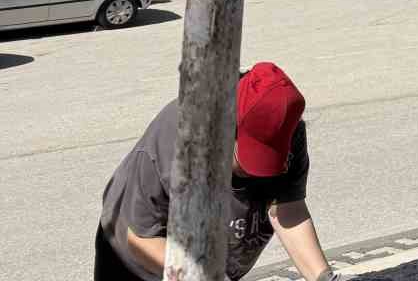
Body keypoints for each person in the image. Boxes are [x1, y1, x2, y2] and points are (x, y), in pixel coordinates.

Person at [96, 62, 337, 281]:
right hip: (138, 266)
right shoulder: (176, 141)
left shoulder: (285, 130)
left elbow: (288, 210)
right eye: (253, 160)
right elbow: (140, 239)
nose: (260, 175)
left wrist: (323, 277)